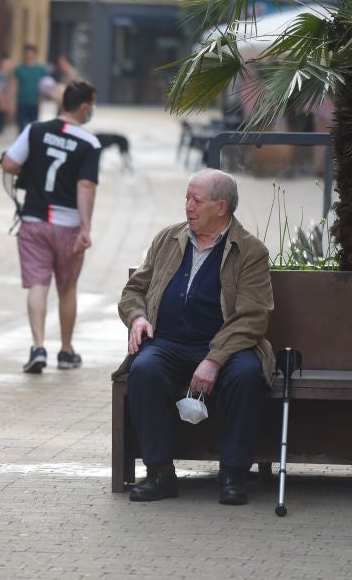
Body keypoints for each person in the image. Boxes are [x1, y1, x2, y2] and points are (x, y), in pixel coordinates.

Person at [117, 169, 274, 505]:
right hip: (169, 342)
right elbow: (134, 290)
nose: (187, 206)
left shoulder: (250, 251)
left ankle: (233, 474)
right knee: (144, 370)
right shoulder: (169, 239)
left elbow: (253, 316)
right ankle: (160, 473)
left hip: (226, 345)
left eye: (195, 200)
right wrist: (138, 317)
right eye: (187, 198)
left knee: (248, 376)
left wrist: (214, 359)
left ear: (221, 207)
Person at [1, 80, 101, 374]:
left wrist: (31, 169)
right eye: (92, 106)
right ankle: (66, 351)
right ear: (84, 107)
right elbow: (85, 186)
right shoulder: (90, 144)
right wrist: (86, 228)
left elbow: (8, 164)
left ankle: (38, 346)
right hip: (67, 227)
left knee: (38, 285)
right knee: (67, 288)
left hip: (33, 222)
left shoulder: (35, 130)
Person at [12, 44, 49, 132]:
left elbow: (45, 86)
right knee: (20, 127)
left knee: (33, 128)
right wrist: (12, 101)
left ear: (35, 54)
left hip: (34, 103)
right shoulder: (19, 69)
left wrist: (41, 99)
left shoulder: (40, 69)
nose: (29, 55)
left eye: (31, 53)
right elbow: (14, 86)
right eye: (27, 53)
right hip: (21, 102)